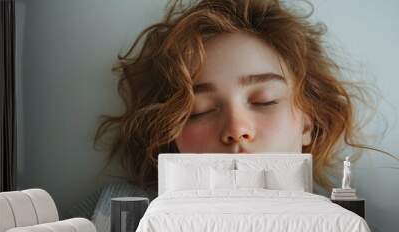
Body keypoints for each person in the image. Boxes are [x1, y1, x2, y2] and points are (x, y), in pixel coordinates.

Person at [94, 0, 384, 197]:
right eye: (199, 110)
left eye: (264, 100)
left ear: (308, 123)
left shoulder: (346, 231)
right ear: (170, 134)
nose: (236, 129)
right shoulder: (109, 217)